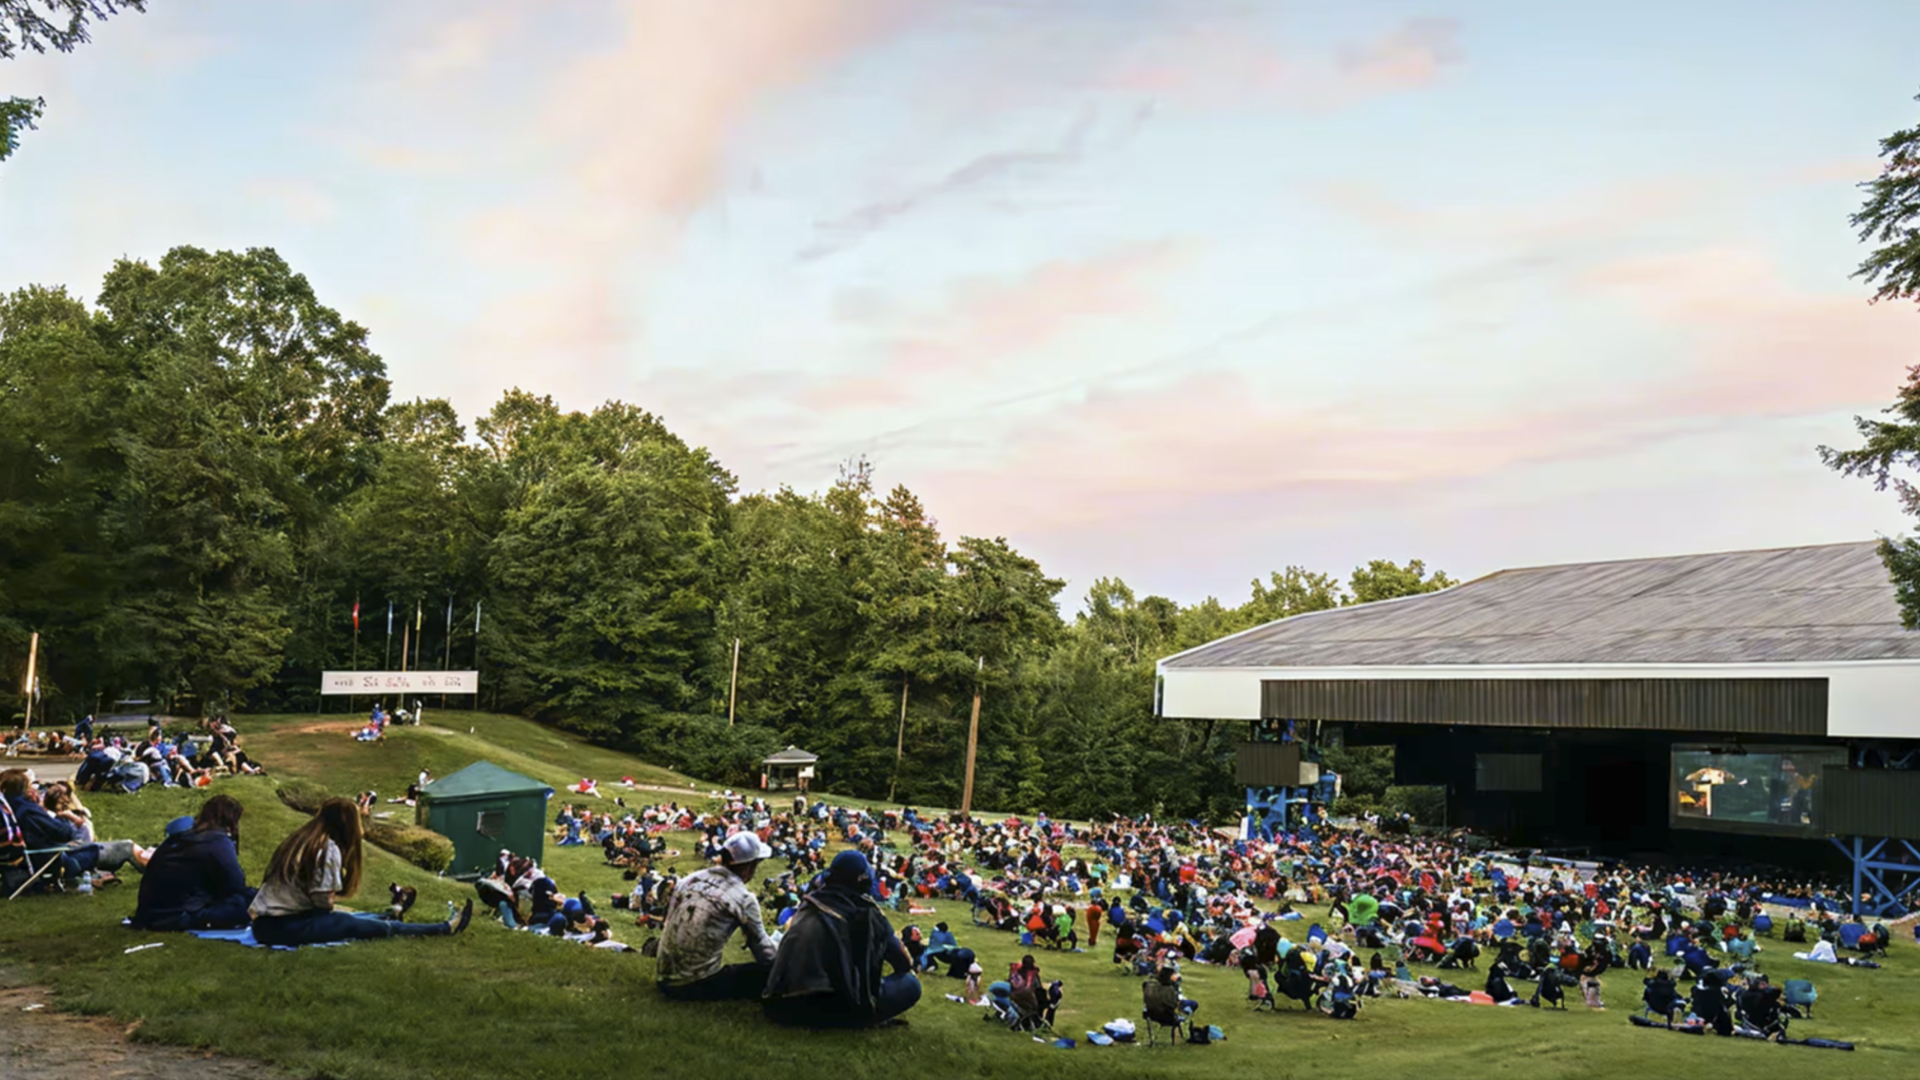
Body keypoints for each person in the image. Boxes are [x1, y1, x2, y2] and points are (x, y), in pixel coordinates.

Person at [248, 798, 471, 945]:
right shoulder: (327, 849)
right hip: (284, 927)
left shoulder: (302, 841)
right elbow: (323, 903)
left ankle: (390, 912)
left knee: (345, 918)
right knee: (348, 923)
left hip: (266, 924)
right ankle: (440, 928)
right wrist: (333, 904)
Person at [763, 850, 922, 1028]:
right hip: (834, 1009)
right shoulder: (867, 912)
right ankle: (861, 1018)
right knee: (911, 984)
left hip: (783, 1005)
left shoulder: (810, 903)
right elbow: (903, 963)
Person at [656, 832, 778, 1000]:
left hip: (663, 977)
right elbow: (764, 952)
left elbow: (669, 921)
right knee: (765, 973)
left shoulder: (691, 879)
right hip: (694, 984)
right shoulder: (743, 898)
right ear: (750, 866)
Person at [130, 795, 256, 931]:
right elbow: (236, 884)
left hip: (149, 914)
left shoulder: (180, 837)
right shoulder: (217, 841)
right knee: (248, 902)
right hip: (179, 915)